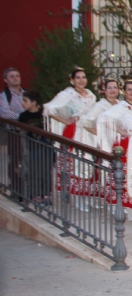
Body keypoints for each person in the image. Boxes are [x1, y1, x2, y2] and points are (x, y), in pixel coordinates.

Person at [43, 68, 98, 201]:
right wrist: (66, 121)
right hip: (73, 131)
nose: (81, 80)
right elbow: (49, 109)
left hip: (88, 132)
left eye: (83, 77)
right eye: (78, 78)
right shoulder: (66, 94)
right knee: (70, 163)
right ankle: (68, 191)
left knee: (87, 162)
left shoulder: (91, 96)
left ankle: (86, 194)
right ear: (72, 80)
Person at [96, 80, 132, 211]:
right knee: (126, 174)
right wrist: (121, 131)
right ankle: (122, 205)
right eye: (129, 89)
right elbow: (104, 118)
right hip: (128, 144)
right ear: (124, 92)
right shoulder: (121, 107)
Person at [78, 79, 120, 148]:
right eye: (109, 88)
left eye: (115, 87)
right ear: (105, 91)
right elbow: (85, 121)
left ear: (118, 90)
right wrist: (100, 135)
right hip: (105, 143)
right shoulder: (100, 106)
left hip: (118, 141)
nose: (112, 90)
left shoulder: (121, 105)